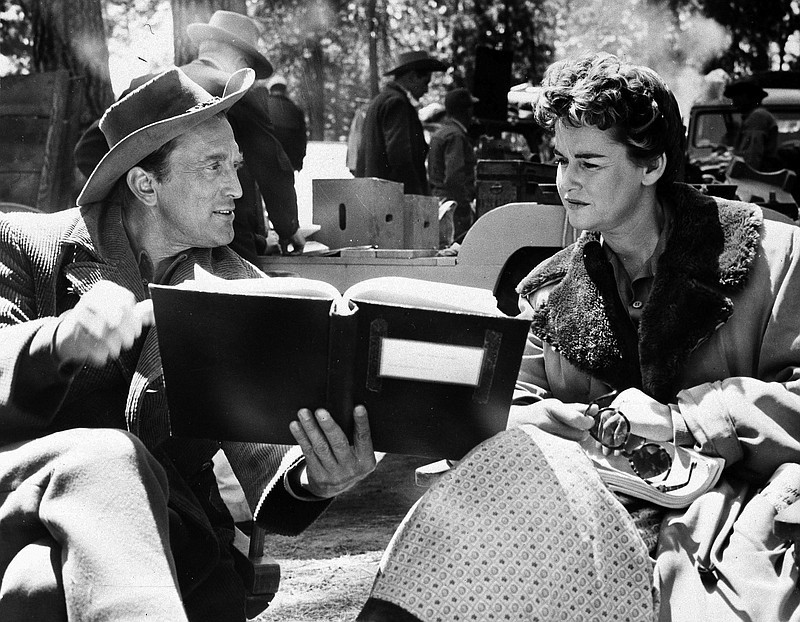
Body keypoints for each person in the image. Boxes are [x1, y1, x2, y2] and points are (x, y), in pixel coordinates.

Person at [357, 52, 800, 621]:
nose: (565, 182)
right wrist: (533, 420)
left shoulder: (773, 257)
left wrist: (684, 420)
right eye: (560, 160)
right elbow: (511, 397)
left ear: (652, 164)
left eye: (588, 163)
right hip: (587, 528)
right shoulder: (546, 295)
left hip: (732, 534)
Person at [0, 66, 376, 621]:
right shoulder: (26, 244)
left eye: (237, 166)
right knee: (109, 454)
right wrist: (61, 339)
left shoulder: (239, 290)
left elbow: (267, 456)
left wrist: (318, 477)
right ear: (145, 184)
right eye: (213, 166)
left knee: (38, 591)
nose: (239, 188)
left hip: (155, 551)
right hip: (20, 504)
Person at [74, 10, 306, 261]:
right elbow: (272, 166)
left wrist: (142, 204)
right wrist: (288, 228)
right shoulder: (238, 92)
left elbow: (88, 149)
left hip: (150, 246)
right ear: (241, 61)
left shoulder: (147, 85)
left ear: (204, 48)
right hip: (223, 247)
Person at [355, 50, 448, 195]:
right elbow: (400, 157)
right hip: (390, 198)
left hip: (372, 194)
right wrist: (416, 196)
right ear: (411, 77)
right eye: (425, 82)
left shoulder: (380, 100)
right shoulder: (397, 103)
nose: (426, 90)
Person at [427, 87, 478, 243]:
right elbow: (454, 177)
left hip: (440, 202)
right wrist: (464, 207)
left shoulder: (441, 133)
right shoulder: (456, 136)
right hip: (454, 207)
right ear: (467, 111)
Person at [724, 76, 781, 171]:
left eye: (736, 97)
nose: (734, 103)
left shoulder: (757, 117)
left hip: (756, 180)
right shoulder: (755, 116)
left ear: (747, 96)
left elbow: (751, 157)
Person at [261, 75, 308, 172]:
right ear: (285, 90)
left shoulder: (262, 107)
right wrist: (298, 163)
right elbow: (302, 139)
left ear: (270, 89)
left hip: (265, 163)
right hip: (288, 164)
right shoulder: (296, 110)